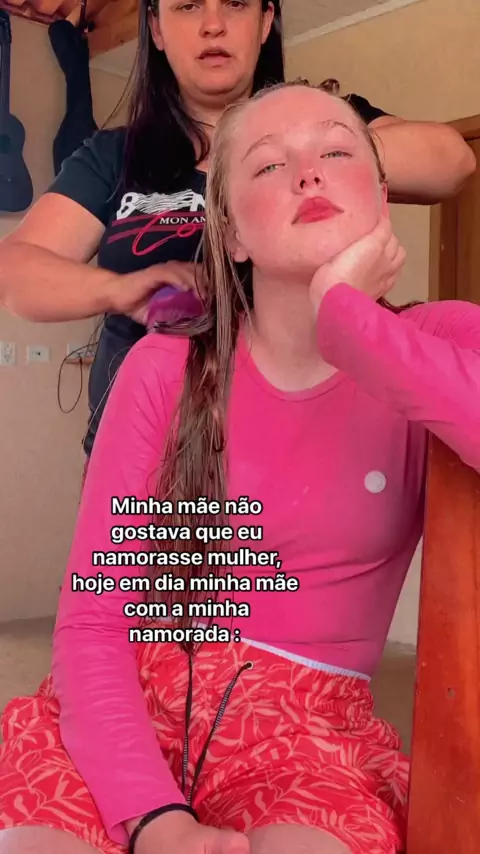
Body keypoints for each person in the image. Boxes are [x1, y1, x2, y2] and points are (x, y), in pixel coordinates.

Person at [1, 81, 480, 854]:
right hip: (127, 706)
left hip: (309, 742)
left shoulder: (440, 340)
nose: (308, 172)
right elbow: (95, 621)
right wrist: (151, 816)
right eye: (268, 164)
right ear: (230, 235)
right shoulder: (163, 369)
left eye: (337, 151)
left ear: (381, 196)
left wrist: (350, 322)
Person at [0, 0, 475, 463]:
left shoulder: (327, 119)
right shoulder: (113, 156)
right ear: (157, 29)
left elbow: (452, 161)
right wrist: (118, 289)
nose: (213, 24)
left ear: (265, 21)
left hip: (301, 452)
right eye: (188, 6)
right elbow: (14, 271)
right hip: (141, 453)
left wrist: (315, 144)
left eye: (235, 4)